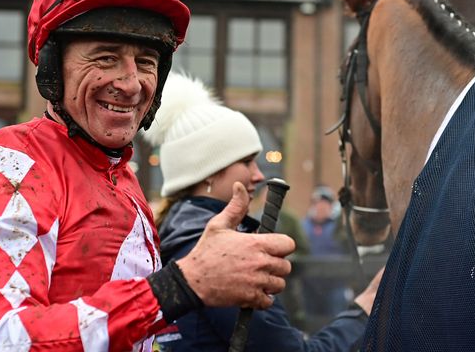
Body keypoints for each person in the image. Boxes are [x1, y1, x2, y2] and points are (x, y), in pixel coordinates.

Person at [0, 0, 294, 352]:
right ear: (53, 66)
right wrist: (181, 284)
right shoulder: (11, 167)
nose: (131, 83)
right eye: (105, 57)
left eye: (146, 61)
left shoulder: (124, 181)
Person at [145, 72, 383, 351]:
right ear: (207, 172)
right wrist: (364, 309)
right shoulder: (221, 254)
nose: (259, 176)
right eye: (247, 162)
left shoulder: (172, 237)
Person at [302, 186, 351, 318]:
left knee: (337, 319)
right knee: (311, 322)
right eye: (318, 204)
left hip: (335, 286)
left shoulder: (339, 227)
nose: (321, 207)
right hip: (309, 287)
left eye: (325, 204)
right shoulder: (303, 226)